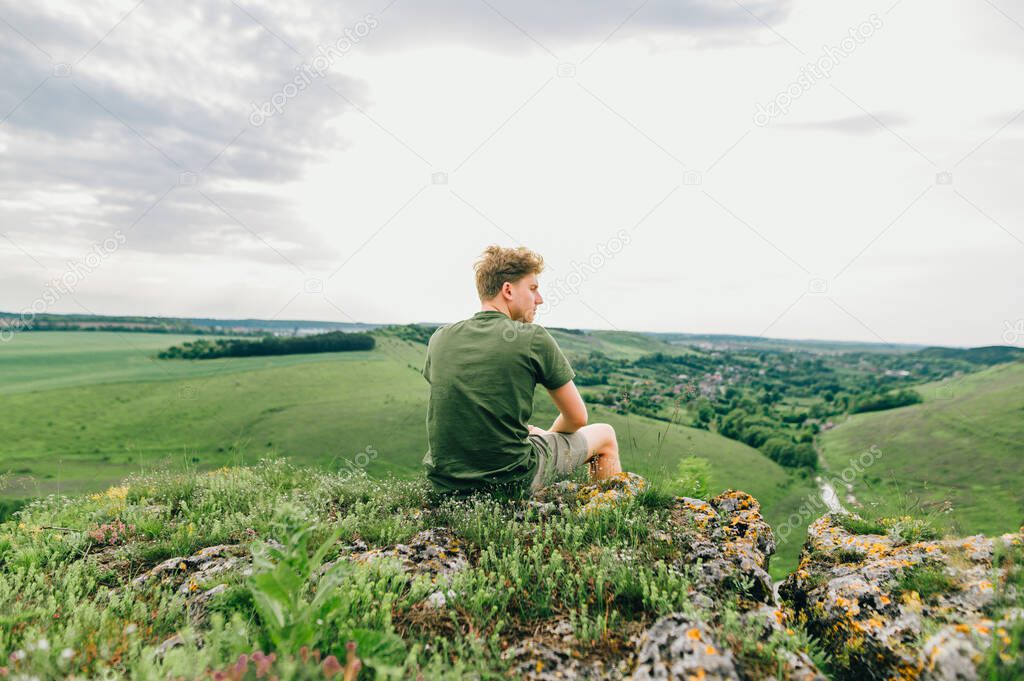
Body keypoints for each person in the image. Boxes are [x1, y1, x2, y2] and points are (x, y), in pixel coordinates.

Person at [421, 244, 622, 496]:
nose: (539, 299)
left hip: (445, 484)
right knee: (605, 434)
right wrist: (547, 436)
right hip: (512, 478)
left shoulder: (441, 337)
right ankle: (608, 521)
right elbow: (577, 418)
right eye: (533, 288)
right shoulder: (533, 338)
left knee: (528, 432)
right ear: (508, 290)